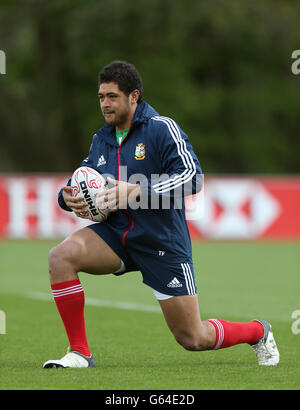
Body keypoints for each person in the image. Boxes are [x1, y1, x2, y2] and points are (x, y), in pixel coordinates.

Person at [43, 61, 279, 368]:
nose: (105, 103)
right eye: (101, 96)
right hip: (116, 236)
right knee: (60, 257)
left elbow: (193, 177)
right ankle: (79, 353)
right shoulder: (102, 138)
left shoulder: (161, 129)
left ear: (134, 97)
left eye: (112, 96)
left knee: (193, 337)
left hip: (161, 240)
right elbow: (85, 180)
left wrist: (136, 189)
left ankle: (258, 331)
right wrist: (66, 196)